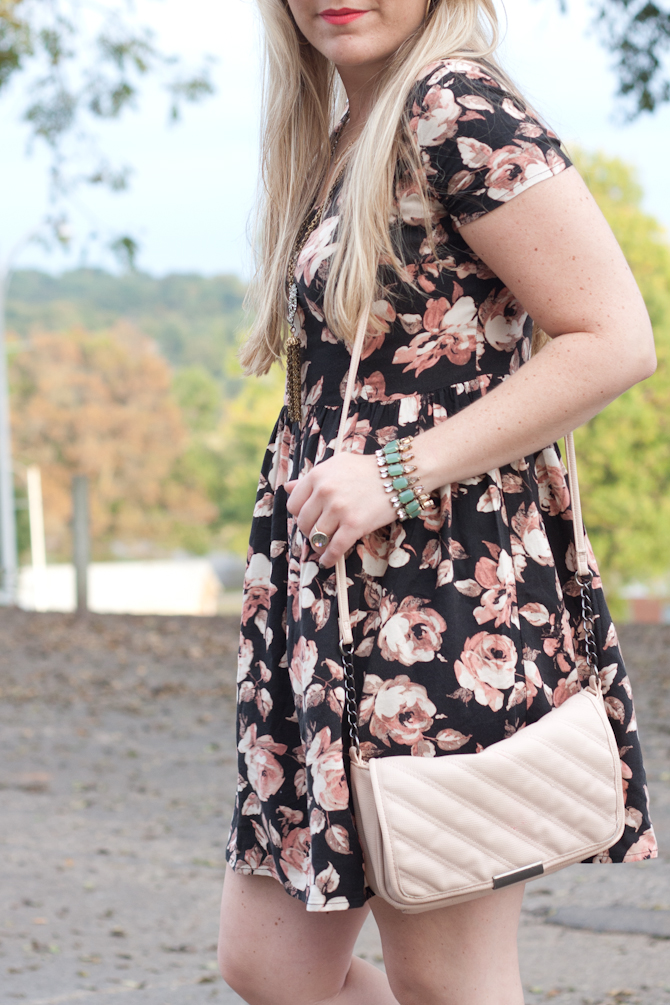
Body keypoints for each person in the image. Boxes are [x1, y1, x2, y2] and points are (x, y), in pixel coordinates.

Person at [218, 1, 658, 1002]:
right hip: (329, 603)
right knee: (272, 967)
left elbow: (613, 336)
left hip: (439, 595)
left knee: (448, 982)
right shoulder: (345, 131)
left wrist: (396, 472)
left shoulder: (454, 105)